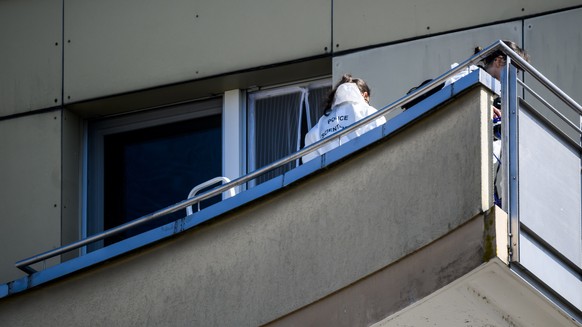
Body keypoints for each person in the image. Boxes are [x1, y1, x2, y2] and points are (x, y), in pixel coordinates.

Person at [445, 40, 530, 207]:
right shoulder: (466, 74)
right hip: (458, 170)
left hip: (483, 181)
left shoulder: (500, 99)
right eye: (515, 70)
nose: (515, 78)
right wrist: (482, 106)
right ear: (498, 61)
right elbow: (450, 107)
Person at [302, 74, 387, 163]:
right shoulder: (370, 113)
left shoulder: (319, 126)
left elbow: (309, 164)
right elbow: (379, 147)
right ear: (365, 95)